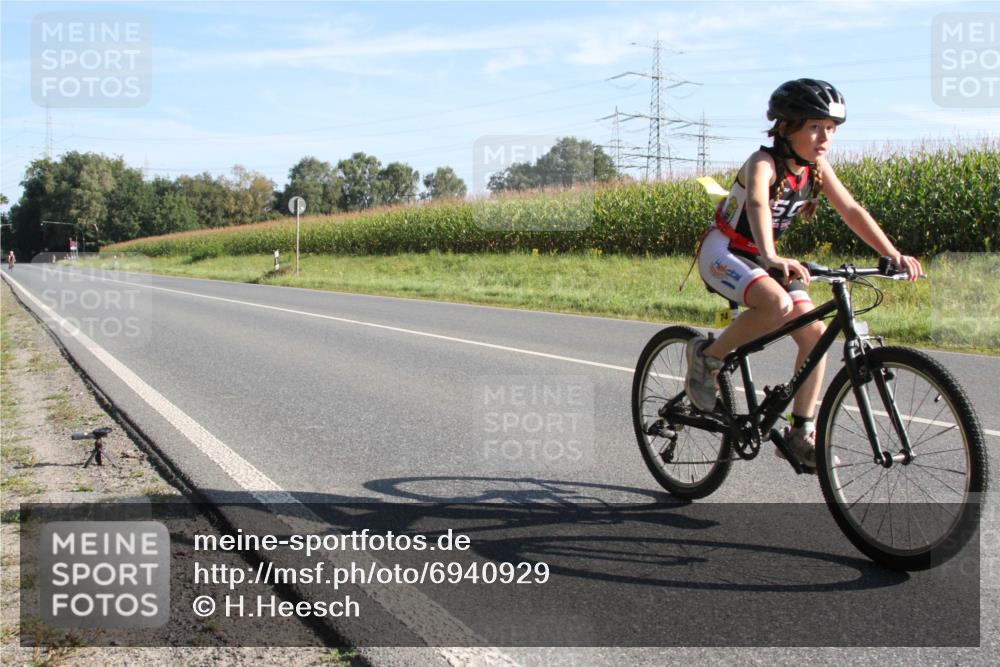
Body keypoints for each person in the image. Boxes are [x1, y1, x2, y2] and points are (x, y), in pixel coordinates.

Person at [684, 78, 923, 471]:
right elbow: (757, 203)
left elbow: (852, 211)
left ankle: (800, 435)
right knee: (776, 304)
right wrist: (770, 255)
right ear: (786, 126)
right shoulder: (763, 162)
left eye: (830, 128)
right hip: (725, 251)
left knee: (814, 336)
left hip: (767, 258)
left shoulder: (817, 169)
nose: (824, 137)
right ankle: (707, 358)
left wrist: (891, 253)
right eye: (814, 126)